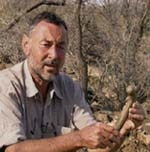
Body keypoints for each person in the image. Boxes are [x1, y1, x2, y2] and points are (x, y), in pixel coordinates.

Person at [0, 12, 145, 152]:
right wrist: (79, 138)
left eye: (61, 46)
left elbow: (96, 148)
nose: (54, 55)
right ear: (26, 45)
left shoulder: (69, 88)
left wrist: (124, 127)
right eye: (46, 44)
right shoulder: (6, 85)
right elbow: (13, 149)